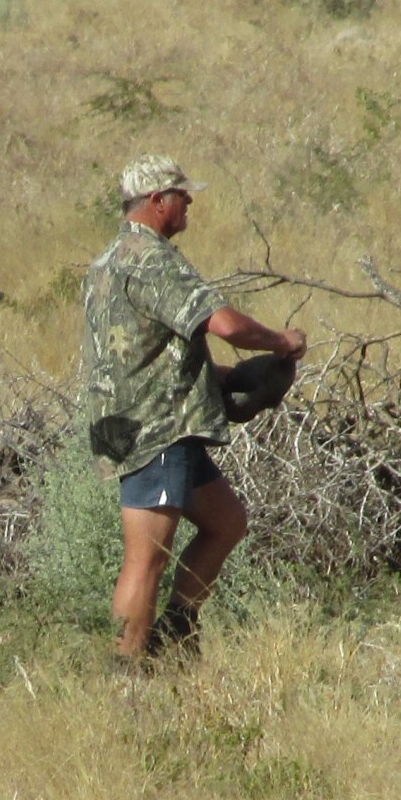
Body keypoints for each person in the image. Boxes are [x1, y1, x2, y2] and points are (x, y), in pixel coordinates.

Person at [81, 155, 305, 664]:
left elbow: (139, 353)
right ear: (158, 201)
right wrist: (280, 342)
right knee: (147, 561)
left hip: (148, 423)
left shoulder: (106, 263)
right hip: (157, 429)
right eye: (182, 196)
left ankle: (174, 635)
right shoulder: (153, 259)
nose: (190, 204)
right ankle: (126, 676)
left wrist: (221, 381)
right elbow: (224, 325)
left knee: (226, 522)